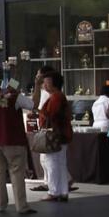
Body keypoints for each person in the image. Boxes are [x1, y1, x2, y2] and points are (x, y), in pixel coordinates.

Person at [0, 70, 35, 214]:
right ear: (3, 79)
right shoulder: (13, 96)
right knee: (17, 173)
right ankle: (21, 206)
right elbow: (32, 105)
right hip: (13, 139)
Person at [37, 72, 73, 202]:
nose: (44, 85)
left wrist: (38, 111)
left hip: (55, 135)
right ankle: (63, 191)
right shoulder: (58, 96)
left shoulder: (55, 97)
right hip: (62, 134)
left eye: (47, 82)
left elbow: (50, 114)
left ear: (54, 83)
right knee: (60, 163)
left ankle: (53, 191)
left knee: (51, 163)